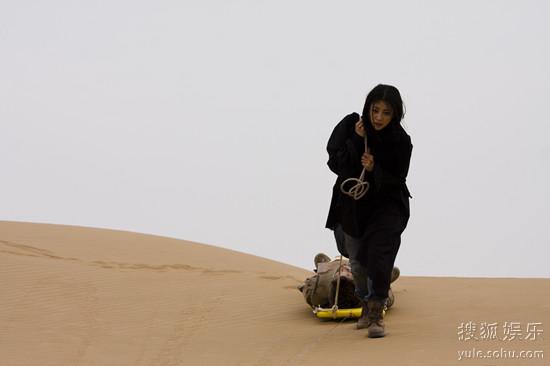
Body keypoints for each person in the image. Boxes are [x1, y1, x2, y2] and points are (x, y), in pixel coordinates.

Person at [325, 84, 412, 338]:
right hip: (353, 205)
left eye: (386, 112)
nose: (378, 117)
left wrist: (375, 169)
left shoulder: (400, 141)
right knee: (358, 263)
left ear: (395, 114)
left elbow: (400, 177)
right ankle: (365, 305)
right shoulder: (352, 125)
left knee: (379, 254)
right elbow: (334, 162)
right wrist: (354, 138)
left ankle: (376, 314)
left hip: (387, 205)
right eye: (375, 110)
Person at [297, 253, 400, 310]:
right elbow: (387, 296)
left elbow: (307, 286)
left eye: (342, 273)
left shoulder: (318, 293)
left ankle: (327, 263)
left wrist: (304, 287)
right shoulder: (365, 285)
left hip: (331, 268)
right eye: (347, 274)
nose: (344, 268)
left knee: (321, 261)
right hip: (359, 269)